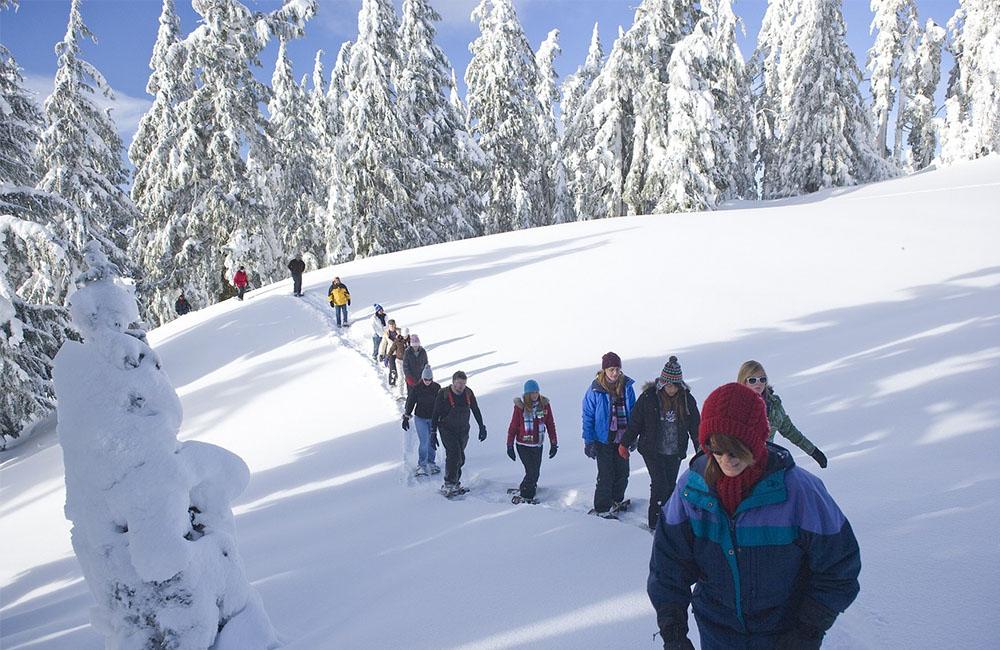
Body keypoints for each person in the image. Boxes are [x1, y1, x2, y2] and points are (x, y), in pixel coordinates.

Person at [648, 382, 860, 649]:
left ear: (758, 440)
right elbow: (668, 566)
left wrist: (808, 629)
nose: (727, 459)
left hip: (784, 635)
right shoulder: (691, 490)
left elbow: (840, 566)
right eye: (717, 447)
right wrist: (674, 633)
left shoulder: (798, 492)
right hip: (717, 633)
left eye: (737, 448)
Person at [619, 356, 700, 530]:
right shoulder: (649, 397)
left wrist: (700, 448)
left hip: (674, 450)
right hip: (652, 450)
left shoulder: (686, 399)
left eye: (675, 385)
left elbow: (695, 426)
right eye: (669, 385)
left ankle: (669, 520)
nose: (672, 389)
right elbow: (636, 423)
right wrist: (624, 443)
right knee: (659, 484)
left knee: (670, 486)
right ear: (662, 383)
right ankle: (655, 524)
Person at [738, 360, 828, 469]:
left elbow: (789, 430)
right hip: (740, 464)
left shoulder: (774, 405)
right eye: (752, 380)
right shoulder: (735, 405)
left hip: (766, 462)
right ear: (743, 381)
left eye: (762, 379)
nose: (758, 383)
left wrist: (813, 451)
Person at [581, 351, 637, 518]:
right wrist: (589, 441)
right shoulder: (595, 390)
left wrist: (633, 436)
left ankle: (616, 499)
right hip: (602, 439)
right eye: (611, 369)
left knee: (623, 473)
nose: (615, 373)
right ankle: (602, 507)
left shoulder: (627, 387)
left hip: (622, 438)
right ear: (604, 369)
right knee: (605, 475)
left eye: (617, 369)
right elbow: (588, 416)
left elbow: (634, 413)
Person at [432, 370, 487, 496]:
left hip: (462, 430)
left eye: (463, 383)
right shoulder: (444, 393)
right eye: (458, 383)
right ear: (453, 382)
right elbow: (435, 413)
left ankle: (456, 482)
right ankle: (449, 484)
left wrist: (481, 426)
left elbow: (475, 409)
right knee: (454, 454)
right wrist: (433, 432)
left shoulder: (468, 393)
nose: (461, 386)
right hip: (446, 429)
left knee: (460, 457)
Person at [506, 379, 557, 502]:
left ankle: (526, 487)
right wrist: (509, 445)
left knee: (535, 472)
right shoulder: (520, 407)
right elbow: (513, 426)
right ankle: (526, 495)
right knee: (532, 472)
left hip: (537, 444)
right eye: (532, 393)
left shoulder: (544, 405)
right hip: (523, 445)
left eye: (536, 392)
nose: (534, 395)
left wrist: (554, 443)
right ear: (526, 394)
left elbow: (550, 424)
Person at [402, 365, 442, 476]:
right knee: (424, 441)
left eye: (430, 379)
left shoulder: (437, 388)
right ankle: (422, 464)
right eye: (425, 379)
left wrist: (443, 417)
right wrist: (406, 416)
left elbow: (441, 404)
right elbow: (410, 402)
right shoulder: (417, 388)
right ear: (422, 378)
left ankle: (431, 462)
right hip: (420, 418)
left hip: (433, 418)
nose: (428, 382)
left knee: (432, 440)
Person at [385, 328, 410, 400]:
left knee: (408, 377)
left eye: (406, 335)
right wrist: (387, 356)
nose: (405, 337)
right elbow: (392, 349)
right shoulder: (397, 340)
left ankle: (409, 393)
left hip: (408, 362)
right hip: (399, 361)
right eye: (404, 335)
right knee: (401, 377)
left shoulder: (410, 340)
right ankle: (400, 394)